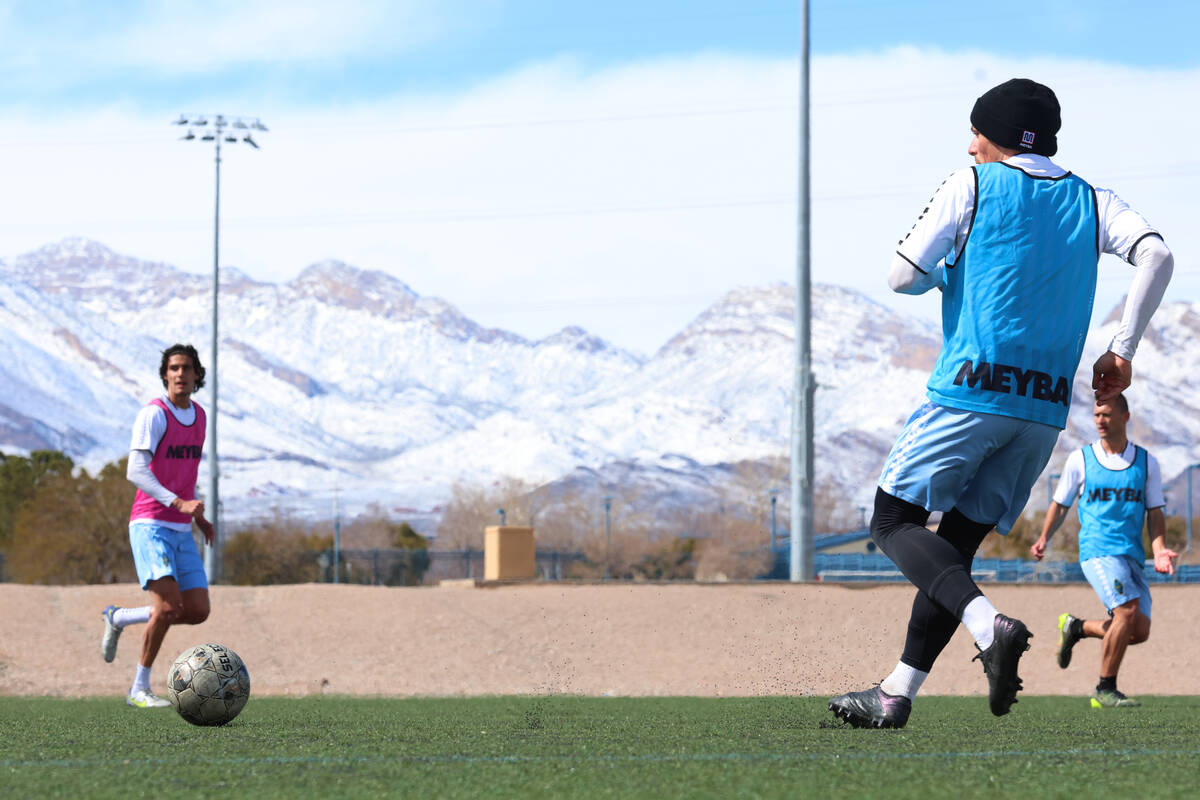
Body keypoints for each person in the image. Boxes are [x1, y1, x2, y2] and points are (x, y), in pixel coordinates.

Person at [828, 78, 1174, 729]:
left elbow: (903, 276)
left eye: (977, 133)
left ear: (996, 137)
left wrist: (948, 270)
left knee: (891, 522)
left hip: (968, 392)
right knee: (953, 549)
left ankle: (990, 627)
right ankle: (895, 695)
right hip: (1042, 411)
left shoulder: (972, 183)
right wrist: (1122, 347)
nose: (970, 144)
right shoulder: (1092, 199)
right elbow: (1157, 253)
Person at [1030, 394, 1176, 708]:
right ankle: (1104, 689)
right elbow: (1060, 504)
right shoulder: (1080, 459)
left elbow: (1155, 511)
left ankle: (1076, 627)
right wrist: (1044, 538)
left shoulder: (1146, 462)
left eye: (1107, 414)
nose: (1100, 420)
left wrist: (1160, 548)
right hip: (1097, 551)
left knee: (1138, 631)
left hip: (1132, 555)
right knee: (1126, 611)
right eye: (1096, 414)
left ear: (1125, 416)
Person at [101, 344, 215, 708]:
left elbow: (186, 476)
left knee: (196, 611)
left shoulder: (199, 416)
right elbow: (135, 470)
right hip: (150, 524)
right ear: (165, 374)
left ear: (197, 375)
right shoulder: (155, 414)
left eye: (186, 368)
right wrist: (178, 503)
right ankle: (139, 688)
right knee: (166, 608)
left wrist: (196, 515)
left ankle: (120, 617)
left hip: (182, 528)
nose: (180, 374)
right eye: (173, 368)